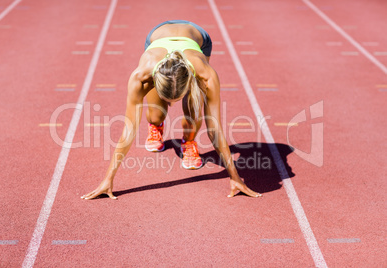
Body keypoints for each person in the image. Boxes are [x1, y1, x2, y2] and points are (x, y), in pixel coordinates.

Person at [81, 20, 262, 200]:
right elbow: (128, 131)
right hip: (158, 34)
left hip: (198, 37)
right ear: (154, 83)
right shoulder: (140, 77)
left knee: (193, 107)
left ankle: (189, 141)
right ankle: (156, 126)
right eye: (169, 100)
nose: (173, 105)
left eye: (177, 99)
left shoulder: (206, 75)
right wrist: (108, 179)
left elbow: (214, 129)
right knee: (155, 114)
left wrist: (235, 177)